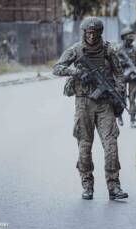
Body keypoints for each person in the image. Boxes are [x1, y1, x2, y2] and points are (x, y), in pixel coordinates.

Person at [53, 17, 128, 200]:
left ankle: (114, 186)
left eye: (95, 33)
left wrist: (118, 95)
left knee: (111, 144)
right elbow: (57, 68)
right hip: (84, 103)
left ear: (100, 33)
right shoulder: (76, 50)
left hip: (105, 104)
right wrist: (76, 72)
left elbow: (119, 74)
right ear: (84, 33)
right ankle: (87, 185)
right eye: (88, 33)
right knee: (84, 146)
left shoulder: (110, 50)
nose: (91, 36)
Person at [116, 27, 136, 128]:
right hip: (122, 76)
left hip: (133, 76)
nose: (130, 40)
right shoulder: (118, 49)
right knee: (121, 97)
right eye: (128, 38)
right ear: (123, 38)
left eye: (131, 38)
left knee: (132, 97)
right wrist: (123, 63)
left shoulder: (135, 49)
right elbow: (114, 63)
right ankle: (119, 115)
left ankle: (132, 118)